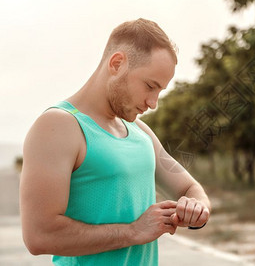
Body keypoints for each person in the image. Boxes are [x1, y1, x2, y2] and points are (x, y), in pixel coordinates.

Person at [19, 18, 211, 265]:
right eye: (150, 86)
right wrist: (132, 231)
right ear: (117, 63)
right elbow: (38, 236)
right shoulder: (58, 126)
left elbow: (190, 189)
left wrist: (196, 208)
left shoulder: (139, 130)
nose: (153, 103)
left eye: (160, 91)